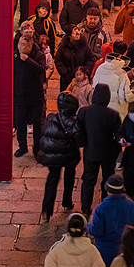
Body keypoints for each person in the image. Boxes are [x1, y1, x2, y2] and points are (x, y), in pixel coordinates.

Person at [76, 84, 122, 217]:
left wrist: (82, 143)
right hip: (108, 153)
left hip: (90, 152)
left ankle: (85, 209)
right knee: (107, 179)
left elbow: (79, 130)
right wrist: (119, 148)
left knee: (89, 180)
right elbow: (118, 133)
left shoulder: (84, 111)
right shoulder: (113, 114)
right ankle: (105, 205)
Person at [37, 91, 81, 220]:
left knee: (52, 180)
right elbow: (80, 140)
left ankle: (46, 210)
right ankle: (67, 202)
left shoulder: (50, 118)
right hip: (70, 156)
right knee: (69, 177)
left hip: (53, 157)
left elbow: (44, 134)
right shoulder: (73, 123)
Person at [13, 34, 46, 158]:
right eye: (19, 44)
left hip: (35, 97)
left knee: (37, 124)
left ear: (30, 46)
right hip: (20, 96)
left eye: (23, 45)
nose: (20, 47)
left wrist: (27, 60)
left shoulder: (39, 55)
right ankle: (22, 147)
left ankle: (37, 148)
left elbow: (41, 69)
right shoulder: (15, 55)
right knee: (20, 123)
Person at [92, 41, 134, 119]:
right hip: (118, 111)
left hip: (102, 109)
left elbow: (94, 87)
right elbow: (129, 97)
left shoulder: (101, 67)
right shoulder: (125, 72)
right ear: (126, 52)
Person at [55, 25, 97, 90]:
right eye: (74, 32)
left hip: (82, 79)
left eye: (78, 32)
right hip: (67, 80)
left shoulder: (84, 46)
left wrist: (84, 71)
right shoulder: (63, 47)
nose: (77, 35)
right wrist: (65, 73)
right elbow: (58, 60)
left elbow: (91, 59)